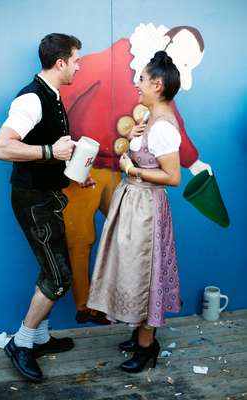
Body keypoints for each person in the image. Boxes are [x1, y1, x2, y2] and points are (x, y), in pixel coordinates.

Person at [60, 24, 211, 325]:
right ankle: (86, 304)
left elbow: (172, 136)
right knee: (82, 237)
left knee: (129, 254)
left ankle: (132, 321)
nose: (138, 85)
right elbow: (70, 89)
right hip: (87, 168)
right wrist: (62, 138)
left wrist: (192, 162)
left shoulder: (161, 108)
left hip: (126, 180)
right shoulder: (118, 59)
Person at [0, 33, 86, 383]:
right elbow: (0, 148)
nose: (79, 65)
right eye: (76, 59)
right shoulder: (31, 98)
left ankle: (41, 338)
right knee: (59, 277)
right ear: (60, 62)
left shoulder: (54, 94)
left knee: (51, 271)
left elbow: (54, 149)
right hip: (33, 202)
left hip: (47, 198)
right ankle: (22, 343)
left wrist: (73, 173)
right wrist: (49, 152)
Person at [87, 51, 182, 373]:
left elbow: (172, 177)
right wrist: (131, 141)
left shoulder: (163, 127)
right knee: (134, 271)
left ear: (157, 85)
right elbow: (145, 158)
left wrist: (131, 169)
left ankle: (146, 347)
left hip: (146, 209)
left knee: (144, 272)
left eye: (141, 79)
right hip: (135, 204)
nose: (135, 84)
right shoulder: (149, 120)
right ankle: (139, 334)